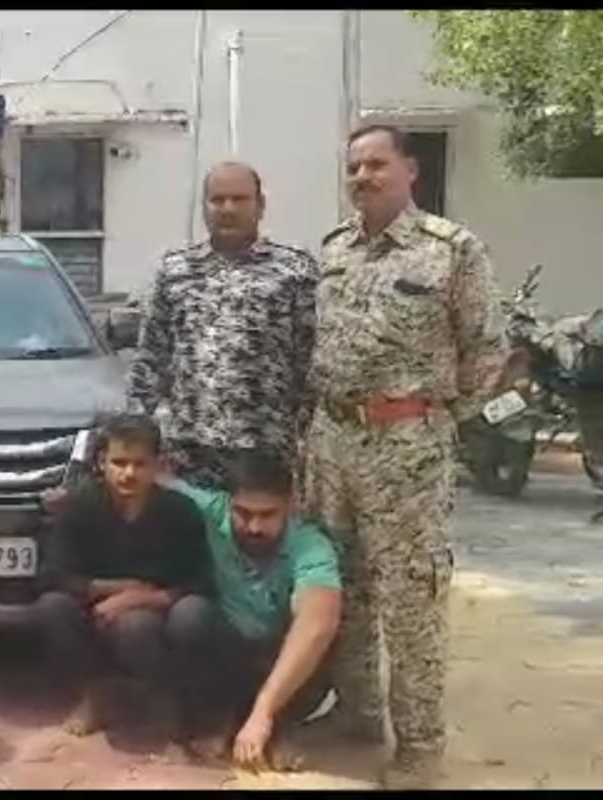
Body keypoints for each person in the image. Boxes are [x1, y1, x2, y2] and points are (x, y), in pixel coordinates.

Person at [304, 124, 505, 789]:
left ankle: (420, 746)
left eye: (377, 164)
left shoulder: (451, 250)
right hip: (332, 441)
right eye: (354, 167)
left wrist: (436, 418)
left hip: (406, 448)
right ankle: (358, 715)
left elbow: (487, 349)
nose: (363, 176)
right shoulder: (336, 249)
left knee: (410, 597)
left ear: (410, 170)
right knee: (344, 586)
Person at [126, 161, 318, 488]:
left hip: (265, 451)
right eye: (217, 200)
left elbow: (310, 362)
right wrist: (146, 437)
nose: (228, 209)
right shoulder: (175, 270)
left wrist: (303, 440)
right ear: (203, 207)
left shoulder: (294, 269)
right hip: (187, 453)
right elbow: (150, 360)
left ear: (260, 205)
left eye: (239, 199)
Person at [30, 414, 214, 739]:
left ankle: (166, 698)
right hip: (94, 609)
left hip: (156, 614)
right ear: (102, 463)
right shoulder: (81, 506)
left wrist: (146, 598)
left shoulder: (180, 511)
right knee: (52, 606)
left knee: (159, 620)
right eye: (119, 462)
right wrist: (110, 589)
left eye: (139, 464)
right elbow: (51, 574)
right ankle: (94, 695)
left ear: (157, 465)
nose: (128, 473)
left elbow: (202, 580)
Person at [166, 451, 341, 773]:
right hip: (230, 654)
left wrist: (264, 710)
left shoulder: (310, 545)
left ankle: (279, 724)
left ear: (290, 504)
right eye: (243, 513)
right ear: (227, 502)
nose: (254, 527)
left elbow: (317, 624)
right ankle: (219, 718)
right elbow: (153, 480)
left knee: (325, 630)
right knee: (189, 615)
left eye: (268, 514)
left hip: (284, 661)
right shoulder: (211, 510)